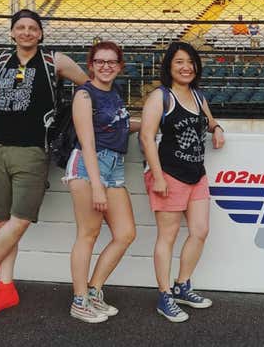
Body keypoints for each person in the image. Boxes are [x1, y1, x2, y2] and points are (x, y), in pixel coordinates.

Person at [0, 9, 88, 318]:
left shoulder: (54, 61)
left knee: (20, 220)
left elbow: (87, 87)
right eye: (20, 27)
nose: (26, 32)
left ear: (41, 34)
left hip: (33, 150)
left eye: (32, 28)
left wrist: (76, 120)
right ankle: (5, 287)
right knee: (2, 221)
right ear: (11, 33)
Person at [140, 41, 225, 323]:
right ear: (169, 66)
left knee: (200, 230)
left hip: (196, 174)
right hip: (169, 174)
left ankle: (182, 285)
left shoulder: (199, 97)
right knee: (168, 236)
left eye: (190, 62)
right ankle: (164, 295)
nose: (186, 67)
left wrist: (217, 128)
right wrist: (159, 176)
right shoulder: (160, 97)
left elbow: (210, 121)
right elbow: (146, 137)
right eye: (179, 61)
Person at [64, 41, 140, 323]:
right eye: (100, 61)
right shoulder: (85, 96)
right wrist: (97, 185)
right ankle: (80, 300)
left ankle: (94, 290)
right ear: (91, 65)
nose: (106, 66)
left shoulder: (115, 92)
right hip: (88, 165)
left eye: (112, 62)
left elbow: (120, 124)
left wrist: (149, 123)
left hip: (115, 166)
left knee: (125, 233)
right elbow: (87, 141)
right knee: (88, 233)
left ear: (120, 66)